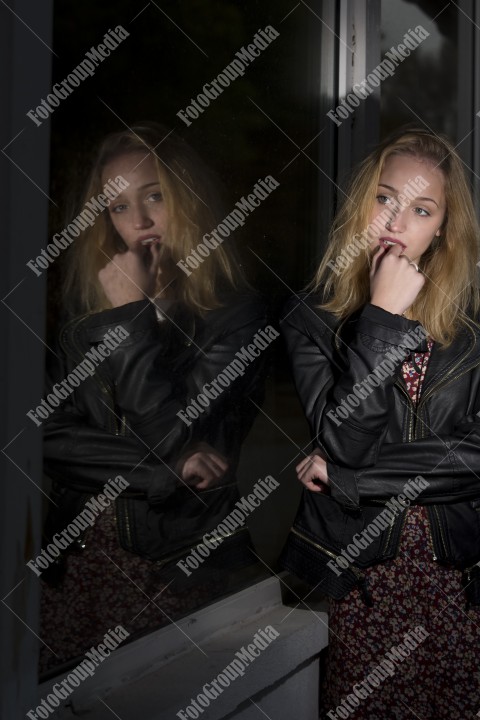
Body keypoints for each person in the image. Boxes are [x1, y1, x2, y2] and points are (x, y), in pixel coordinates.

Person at [39, 123, 270, 673]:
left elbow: (172, 433)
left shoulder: (236, 318)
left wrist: (131, 319)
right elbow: (46, 437)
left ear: (187, 199)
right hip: (77, 564)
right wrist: (161, 473)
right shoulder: (85, 321)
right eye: (117, 207)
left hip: (175, 565)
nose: (138, 222)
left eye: (155, 196)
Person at [280, 128, 480, 719]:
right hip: (366, 581)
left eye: (421, 209)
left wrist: (354, 479)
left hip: (460, 580)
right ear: (361, 202)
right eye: (385, 199)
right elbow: (343, 440)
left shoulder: (473, 324)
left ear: (442, 226)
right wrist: (383, 316)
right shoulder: (311, 318)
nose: (397, 220)